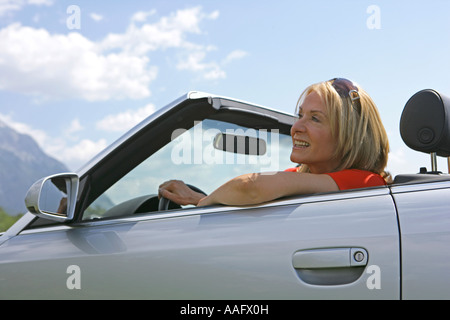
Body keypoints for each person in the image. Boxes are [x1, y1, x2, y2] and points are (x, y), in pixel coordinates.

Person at [158, 78, 391, 207]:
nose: (296, 127)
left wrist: (201, 202)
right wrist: (199, 199)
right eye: (300, 116)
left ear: (349, 136)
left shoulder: (366, 183)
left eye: (315, 119)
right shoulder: (299, 178)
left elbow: (249, 187)